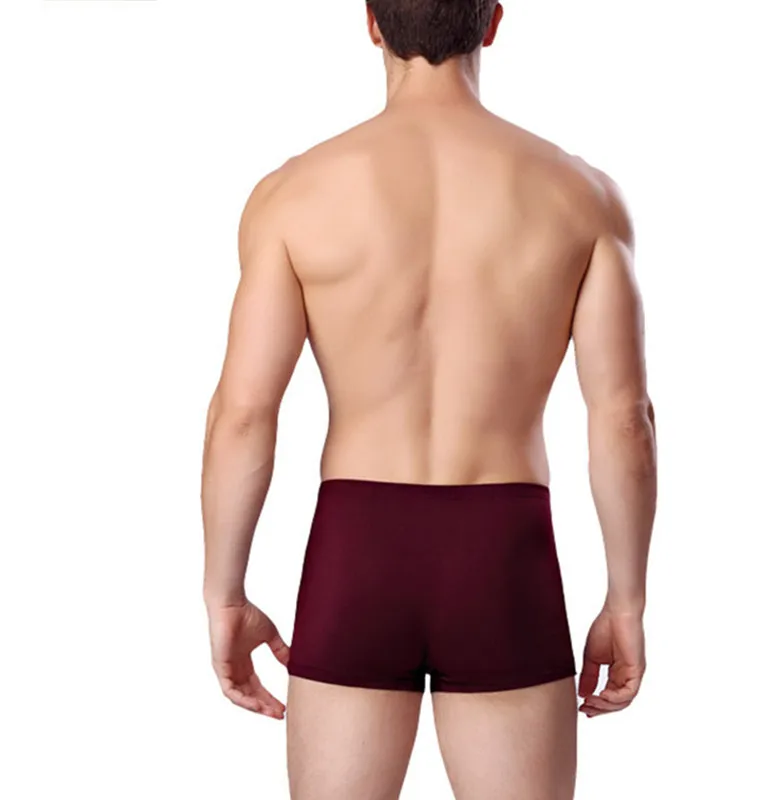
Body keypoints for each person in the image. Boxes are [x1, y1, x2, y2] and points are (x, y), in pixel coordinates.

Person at [201, 1, 657, 797]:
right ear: (492, 22)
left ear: (372, 23)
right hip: (502, 553)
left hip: (357, 550)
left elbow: (244, 415)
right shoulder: (580, 195)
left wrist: (224, 592)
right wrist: (627, 600)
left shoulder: (294, 195)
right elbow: (623, 419)